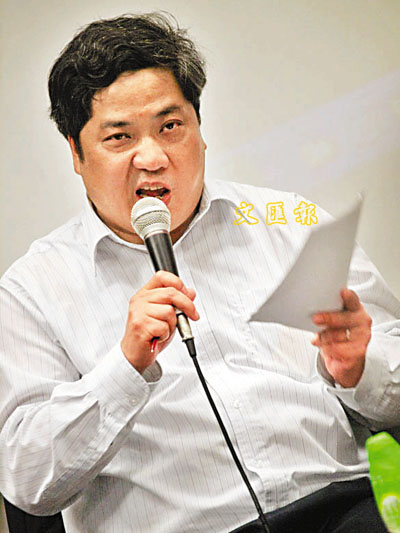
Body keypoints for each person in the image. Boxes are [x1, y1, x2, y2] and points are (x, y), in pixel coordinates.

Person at [0, 12, 399, 533]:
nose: (152, 158)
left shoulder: (292, 223)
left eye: (170, 127)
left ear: (200, 130)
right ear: (76, 153)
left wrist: (360, 368)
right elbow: (28, 482)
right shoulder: (32, 289)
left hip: (343, 511)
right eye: (119, 137)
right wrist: (125, 368)